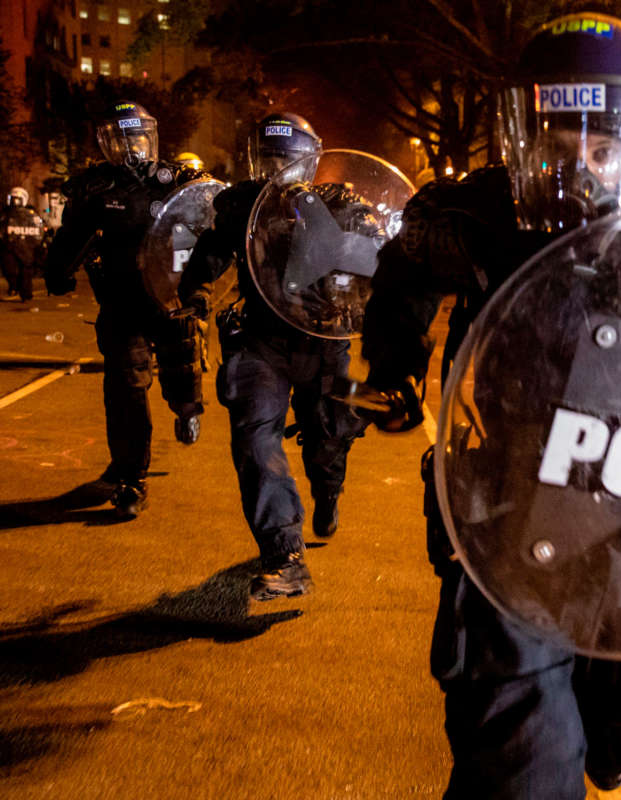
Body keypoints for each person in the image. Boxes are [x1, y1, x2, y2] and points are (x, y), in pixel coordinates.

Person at [361, 14, 621, 797]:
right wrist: (391, 368)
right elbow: (403, 272)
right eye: (559, 150)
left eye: (602, 150)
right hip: (509, 511)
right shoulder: (481, 217)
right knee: (520, 759)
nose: (581, 169)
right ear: (526, 144)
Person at [179, 111, 368, 601]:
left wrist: (305, 203)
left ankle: (328, 493)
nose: (279, 168)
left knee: (327, 442)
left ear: (310, 161)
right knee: (254, 441)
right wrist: (196, 290)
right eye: (270, 158)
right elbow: (211, 252)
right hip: (262, 340)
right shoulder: (242, 203)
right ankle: (284, 554)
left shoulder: (338, 203)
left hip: (322, 342)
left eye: (289, 159)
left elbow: (359, 258)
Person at [43, 100, 208, 518]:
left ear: (151, 136)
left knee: (182, 368)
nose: (133, 147)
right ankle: (131, 477)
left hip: (169, 297)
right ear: (108, 144)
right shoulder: (96, 187)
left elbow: (210, 221)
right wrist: (57, 271)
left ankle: (187, 408)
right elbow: (71, 235)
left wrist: (203, 286)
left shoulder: (176, 179)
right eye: (123, 139)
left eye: (139, 137)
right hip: (120, 300)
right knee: (125, 389)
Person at [1, 187, 45, 302]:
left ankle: (26, 293)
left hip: (27, 248)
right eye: (13, 198)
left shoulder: (31, 214)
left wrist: (36, 245)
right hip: (9, 247)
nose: (15, 201)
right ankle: (15, 287)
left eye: (18, 199)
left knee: (26, 272)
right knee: (9, 269)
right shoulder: (5, 213)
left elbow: (39, 231)